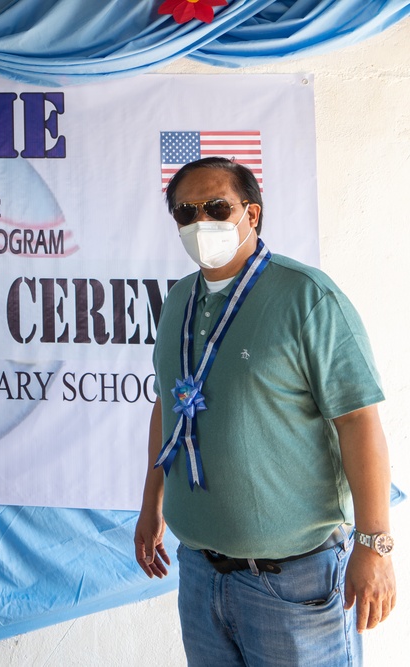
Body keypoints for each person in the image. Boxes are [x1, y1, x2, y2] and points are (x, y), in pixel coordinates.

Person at [134, 157, 396, 666]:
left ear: (251, 214)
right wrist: (152, 503)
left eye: (216, 207)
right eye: (186, 213)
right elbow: (168, 406)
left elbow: (358, 421)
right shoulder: (177, 301)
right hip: (201, 575)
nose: (200, 222)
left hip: (295, 584)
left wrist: (375, 544)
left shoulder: (308, 297)